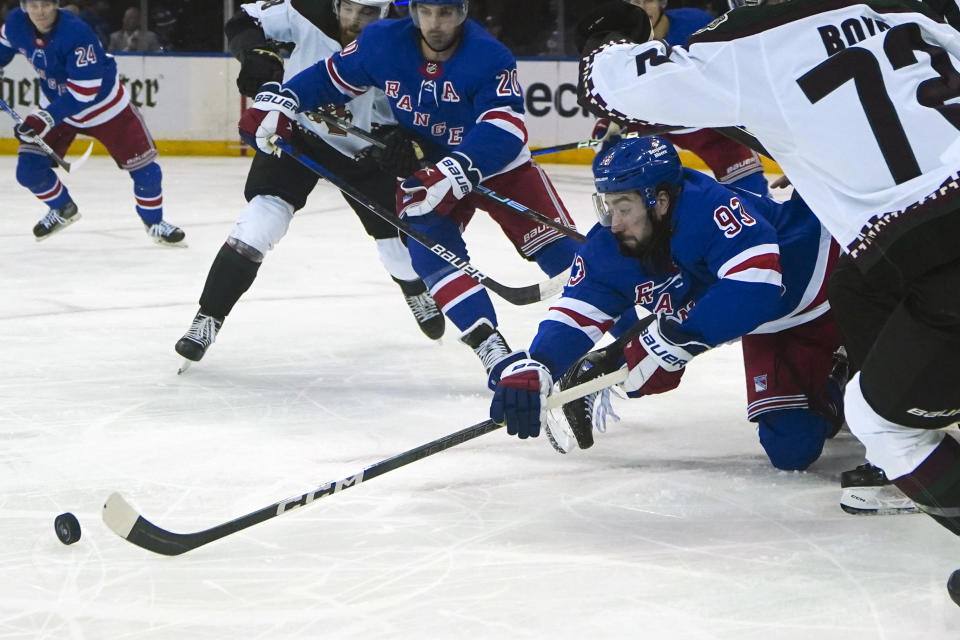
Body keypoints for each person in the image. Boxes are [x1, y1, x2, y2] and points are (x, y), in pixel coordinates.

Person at [578, 0, 960, 535]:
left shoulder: (747, 44)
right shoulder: (906, 6)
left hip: (929, 244)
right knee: (859, 287)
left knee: (884, 425)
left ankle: (901, 446)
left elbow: (609, 85)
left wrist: (609, 32)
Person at [239, 0, 581, 376]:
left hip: (495, 166)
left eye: (446, 13)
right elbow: (329, 77)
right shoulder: (382, 42)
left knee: (563, 254)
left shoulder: (489, 56)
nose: (435, 24)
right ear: (413, 11)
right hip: (426, 166)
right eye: (427, 12)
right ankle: (491, 347)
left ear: (464, 12)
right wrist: (283, 100)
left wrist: (457, 168)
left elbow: (505, 126)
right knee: (426, 248)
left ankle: (621, 338)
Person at [490, 136, 845, 472]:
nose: (614, 223)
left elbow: (757, 286)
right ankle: (834, 373)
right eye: (608, 206)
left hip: (837, 289)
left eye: (624, 207)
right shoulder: (611, 245)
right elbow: (576, 311)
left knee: (887, 386)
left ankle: (857, 361)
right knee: (792, 450)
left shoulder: (706, 206)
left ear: (659, 201)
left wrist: (675, 339)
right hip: (775, 328)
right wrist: (537, 365)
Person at [174, 0, 447, 366]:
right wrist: (256, 54)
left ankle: (413, 288)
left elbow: (426, 112)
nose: (356, 20)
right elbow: (244, 21)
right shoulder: (305, 11)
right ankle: (208, 317)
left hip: (367, 152)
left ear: (385, 13)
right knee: (258, 223)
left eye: (369, 12)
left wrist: (407, 141)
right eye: (351, 8)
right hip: (297, 135)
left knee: (394, 244)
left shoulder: (405, 43)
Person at [0, 0, 184, 244]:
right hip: (57, 104)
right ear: (24, 7)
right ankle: (63, 208)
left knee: (146, 170)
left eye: (45, 4)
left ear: (56, 4)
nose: (40, 11)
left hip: (106, 108)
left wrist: (44, 118)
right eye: (33, 5)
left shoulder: (76, 32)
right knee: (29, 171)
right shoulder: (15, 23)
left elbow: (85, 92)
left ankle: (154, 222)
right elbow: (3, 46)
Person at [578, 1, 768, 195]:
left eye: (648, 0)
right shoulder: (615, 36)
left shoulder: (697, 23)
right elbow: (603, 86)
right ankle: (640, 214)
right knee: (609, 158)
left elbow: (728, 67)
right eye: (634, 1)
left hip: (706, 122)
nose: (642, 8)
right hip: (646, 119)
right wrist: (611, 124)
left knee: (751, 188)